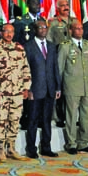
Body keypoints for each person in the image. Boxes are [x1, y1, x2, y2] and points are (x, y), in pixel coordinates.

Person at [0, 23, 31, 161]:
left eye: (11, 32)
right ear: (1, 33)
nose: (9, 34)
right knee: (0, 121)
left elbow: (26, 69)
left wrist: (26, 87)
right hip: (1, 93)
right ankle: (0, 150)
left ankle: (11, 148)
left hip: (17, 92)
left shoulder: (19, 48)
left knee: (15, 121)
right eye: (6, 31)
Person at [57, 20, 88, 155]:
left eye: (81, 28)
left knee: (86, 116)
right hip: (72, 86)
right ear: (71, 31)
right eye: (77, 29)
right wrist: (59, 87)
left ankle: (83, 143)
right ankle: (71, 143)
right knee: (72, 116)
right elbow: (60, 68)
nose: (80, 31)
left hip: (87, 86)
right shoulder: (65, 46)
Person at [23, 21, 61, 158]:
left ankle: (46, 147)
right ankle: (31, 149)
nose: (44, 30)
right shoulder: (28, 47)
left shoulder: (51, 46)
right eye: (40, 27)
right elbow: (25, 70)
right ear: (34, 30)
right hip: (35, 90)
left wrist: (58, 87)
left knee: (46, 120)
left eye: (45, 27)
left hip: (50, 89)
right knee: (32, 120)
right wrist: (28, 89)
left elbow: (55, 68)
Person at [49, 0, 75, 128]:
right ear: (57, 8)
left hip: (74, 59)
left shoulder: (74, 21)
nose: (66, 7)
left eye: (67, 5)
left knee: (72, 89)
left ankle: (71, 116)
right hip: (59, 58)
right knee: (60, 86)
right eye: (63, 5)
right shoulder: (53, 23)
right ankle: (59, 116)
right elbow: (49, 41)